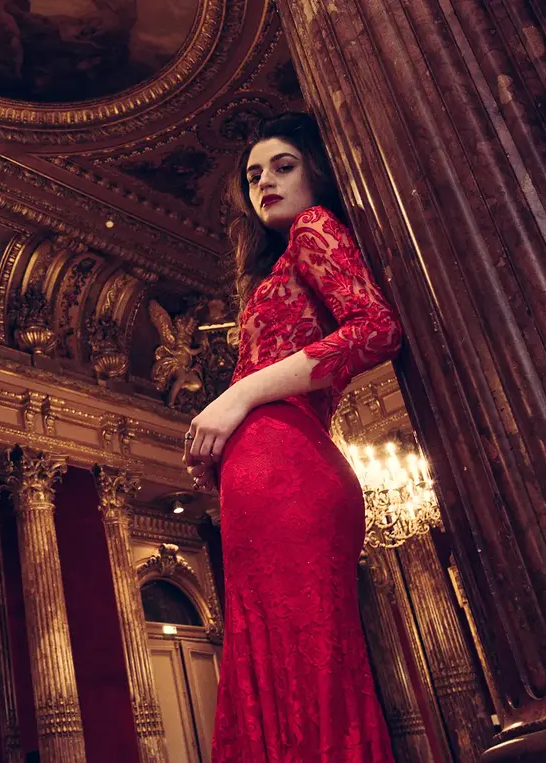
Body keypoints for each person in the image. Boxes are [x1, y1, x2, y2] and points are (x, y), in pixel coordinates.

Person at [184, 111, 402, 762]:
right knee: (276, 659)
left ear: (319, 171)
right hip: (265, 471)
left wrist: (237, 397)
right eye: (253, 176)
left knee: (302, 658)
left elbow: (375, 329)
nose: (265, 183)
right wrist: (223, 449)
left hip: (291, 466)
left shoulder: (315, 227)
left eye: (283, 166)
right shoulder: (274, 266)